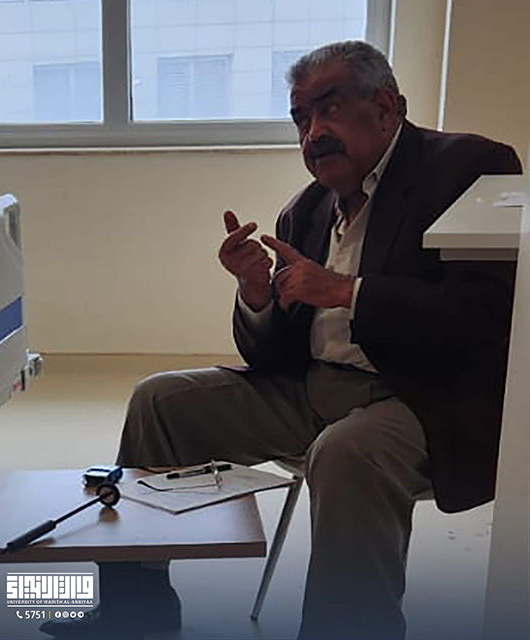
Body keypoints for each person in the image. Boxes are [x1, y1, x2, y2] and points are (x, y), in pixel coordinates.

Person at [41, 40, 522, 640]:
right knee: (158, 400)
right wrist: (257, 295)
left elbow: (487, 314)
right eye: (301, 118)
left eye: (329, 108)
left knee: (347, 453)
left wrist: (348, 292)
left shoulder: (469, 168)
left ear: (385, 107)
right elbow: (275, 357)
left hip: (422, 398)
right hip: (316, 390)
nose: (313, 133)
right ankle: (135, 607)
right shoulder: (307, 209)